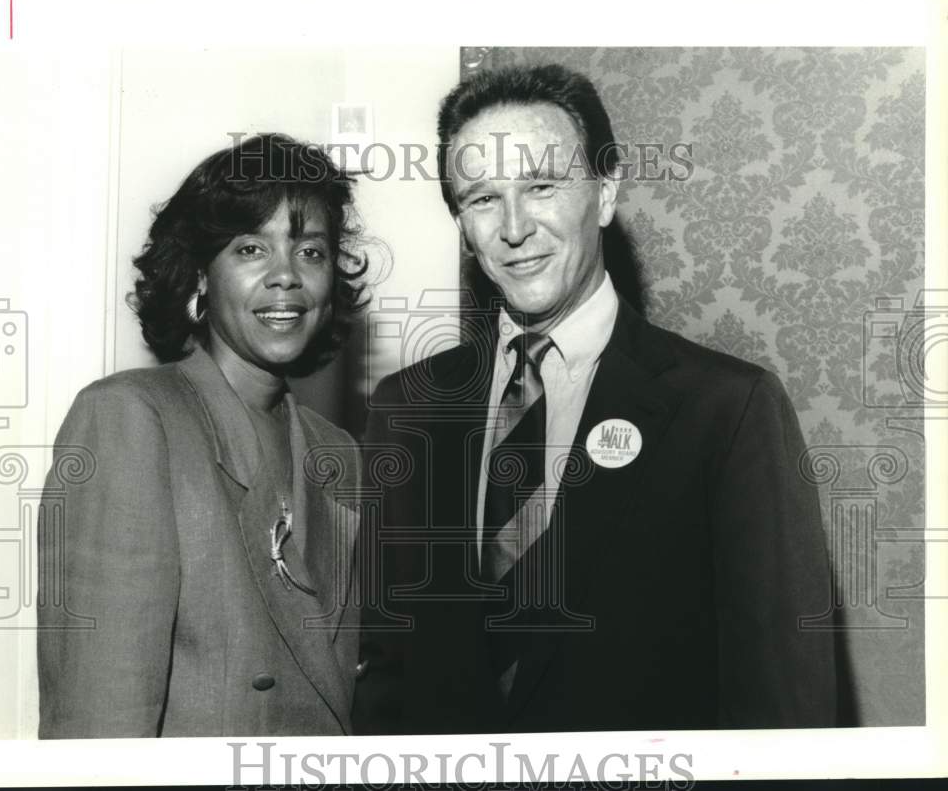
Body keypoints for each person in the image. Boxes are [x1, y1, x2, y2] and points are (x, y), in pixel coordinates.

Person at [353, 64, 837, 733]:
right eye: (483, 198)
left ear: (606, 193)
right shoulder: (404, 407)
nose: (514, 227)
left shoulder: (727, 410)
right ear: (461, 223)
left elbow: (785, 705)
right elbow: (387, 676)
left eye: (542, 185)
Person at [37, 133, 366, 737]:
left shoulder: (338, 453)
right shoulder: (130, 420)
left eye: (311, 251)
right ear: (199, 277)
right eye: (250, 249)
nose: (287, 277)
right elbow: (98, 719)